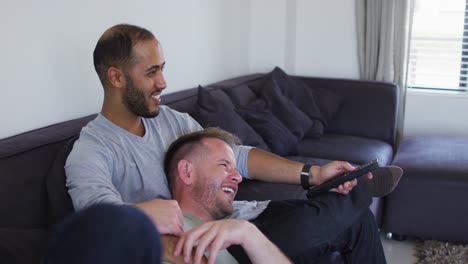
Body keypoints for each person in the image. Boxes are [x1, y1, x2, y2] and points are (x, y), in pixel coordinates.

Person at [61, 23, 401, 263]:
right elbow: (95, 219)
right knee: (351, 208)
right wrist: (147, 212)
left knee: (358, 219)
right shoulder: (92, 150)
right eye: (151, 72)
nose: (163, 82)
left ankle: (347, 190)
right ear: (116, 77)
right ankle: (357, 190)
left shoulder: (172, 120)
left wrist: (313, 174)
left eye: (162, 69)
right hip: (212, 241)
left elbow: (234, 157)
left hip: (246, 216)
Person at [161, 127, 291, 264]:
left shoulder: (233, 232)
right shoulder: (167, 237)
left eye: (235, 169)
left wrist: (249, 234)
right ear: (187, 172)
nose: (239, 177)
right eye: (224, 165)